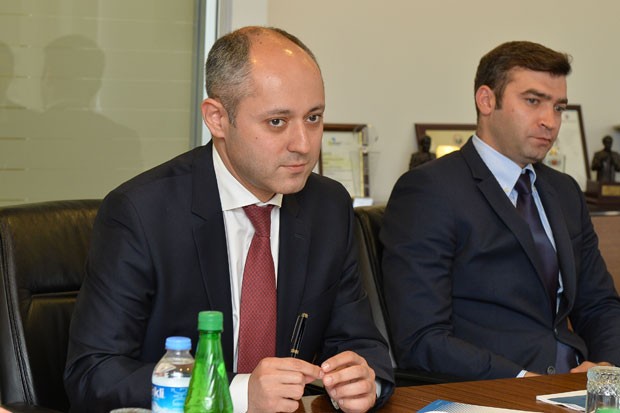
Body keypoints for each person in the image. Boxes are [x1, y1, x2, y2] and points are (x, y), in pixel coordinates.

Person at [64, 26, 393, 413]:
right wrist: (238, 393)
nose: (304, 144)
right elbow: (94, 374)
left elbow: (361, 343)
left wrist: (364, 381)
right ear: (217, 118)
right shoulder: (141, 213)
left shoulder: (327, 206)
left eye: (313, 118)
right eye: (277, 122)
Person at [381, 41, 620, 380]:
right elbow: (421, 338)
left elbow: (599, 305)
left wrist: (606, 371)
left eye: (558, 108)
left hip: (578, 386)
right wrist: (523, 382)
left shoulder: (565, 191)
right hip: (494, 388)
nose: (550, 122)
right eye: (533, 101)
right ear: (486, 100)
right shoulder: (429, 190)